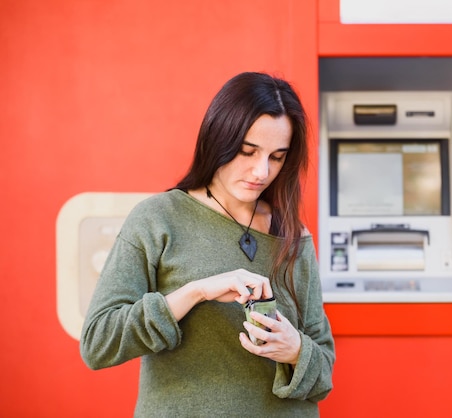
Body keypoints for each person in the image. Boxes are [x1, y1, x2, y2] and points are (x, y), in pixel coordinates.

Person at [80, 72, 335, 417]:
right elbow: (98, 343)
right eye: (248, 151)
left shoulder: (294, 235)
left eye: (277, 157)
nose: (261, 171)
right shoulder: (158, 218)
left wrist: (295, 350)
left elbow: (324, 370)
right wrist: (195, 292)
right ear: (219, 139)